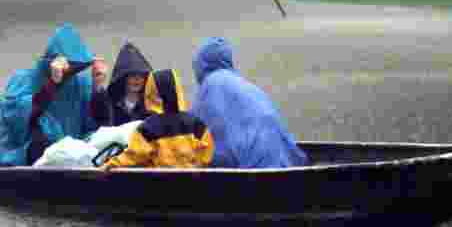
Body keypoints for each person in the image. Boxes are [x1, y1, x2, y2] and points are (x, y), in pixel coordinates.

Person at [0, 23, 109, 166]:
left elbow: (99, 125)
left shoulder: (81, 83)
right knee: (41, 143)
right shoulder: (24, 79)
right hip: (23, 155)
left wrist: (98, 87)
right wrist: (53, 83)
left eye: (76, 67)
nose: (70, 72)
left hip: (71, 158)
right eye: (69, 66)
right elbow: (19, 119)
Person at [190, 37, 308, 169]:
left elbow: (195, 135)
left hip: (251, 170)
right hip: (284, 162)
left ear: (201, 65)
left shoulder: (210, 86)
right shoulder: (247, 86)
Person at [101, 69, 214, 170]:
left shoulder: (148, 128)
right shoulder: (196, 124)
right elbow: (207, 155)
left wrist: (108, 165)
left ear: (152, 91)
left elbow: (132, 156)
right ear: (178, 89)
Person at [105, 41, 154, 126]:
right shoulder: (111, 104)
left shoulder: (152, 104)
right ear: (123, 78)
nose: (137, 79)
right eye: (132, 75)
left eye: (141, 75)